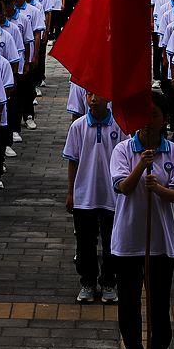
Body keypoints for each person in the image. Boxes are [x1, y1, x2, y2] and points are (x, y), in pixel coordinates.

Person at [111, 93, 174, 349]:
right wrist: (140, 166)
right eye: (143, 115)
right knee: (129, 302)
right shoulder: (123, 150)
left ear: (164, 119)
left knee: (159, 303)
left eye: (154, 115)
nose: (148, 121)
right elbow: (123, 188)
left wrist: (157, 188)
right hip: (128, 240)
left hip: (161, 241)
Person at [62, 91, 124, 304]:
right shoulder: (78, 126)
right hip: (84, 195)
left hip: (112, 195)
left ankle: (109, 281)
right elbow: (72, 160)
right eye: (89, 95)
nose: (93, 99)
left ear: (109, 98)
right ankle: (87, 281)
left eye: (98, 95)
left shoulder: (119, 126)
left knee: (111, 242)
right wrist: (71, 192)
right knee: (85, 242)